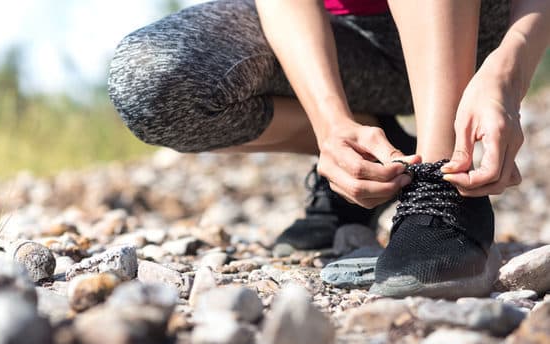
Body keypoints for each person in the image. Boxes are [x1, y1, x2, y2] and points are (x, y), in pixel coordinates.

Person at [107, 0, 549, 298]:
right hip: (344, 39)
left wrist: (506, 74)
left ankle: (439, 180)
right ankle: (378, 150)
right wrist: (330, 124)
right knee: (152, 80)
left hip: (480, 25)